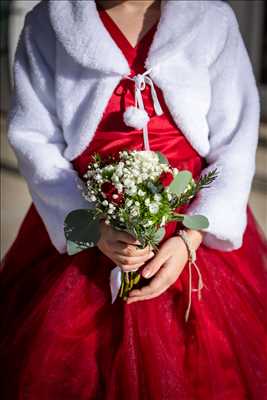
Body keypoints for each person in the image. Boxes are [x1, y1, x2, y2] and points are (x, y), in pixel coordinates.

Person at [1, 0, 267, 398]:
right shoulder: (49, 23)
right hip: (88, 219)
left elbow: (235, 143)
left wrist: (190, 239)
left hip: (190, 229)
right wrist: (93, 228)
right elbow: (34, 138)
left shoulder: (211, 20)